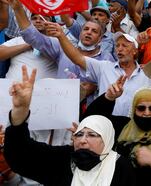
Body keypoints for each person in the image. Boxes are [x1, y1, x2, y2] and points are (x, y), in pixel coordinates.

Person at [4, 66, 136, 186]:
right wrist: (20, 109)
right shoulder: (63, 160)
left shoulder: (121, 168)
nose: (83, 140)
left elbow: (94, 116)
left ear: (107, 140)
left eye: (92, 135)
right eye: (79, 134)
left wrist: (108, 97)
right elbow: (20, 154)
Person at [84, 79, 151, 186]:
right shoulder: (121, 126)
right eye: (141, 108)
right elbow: (92, 120)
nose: (147, 113)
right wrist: (109, 97)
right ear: (134, 109)